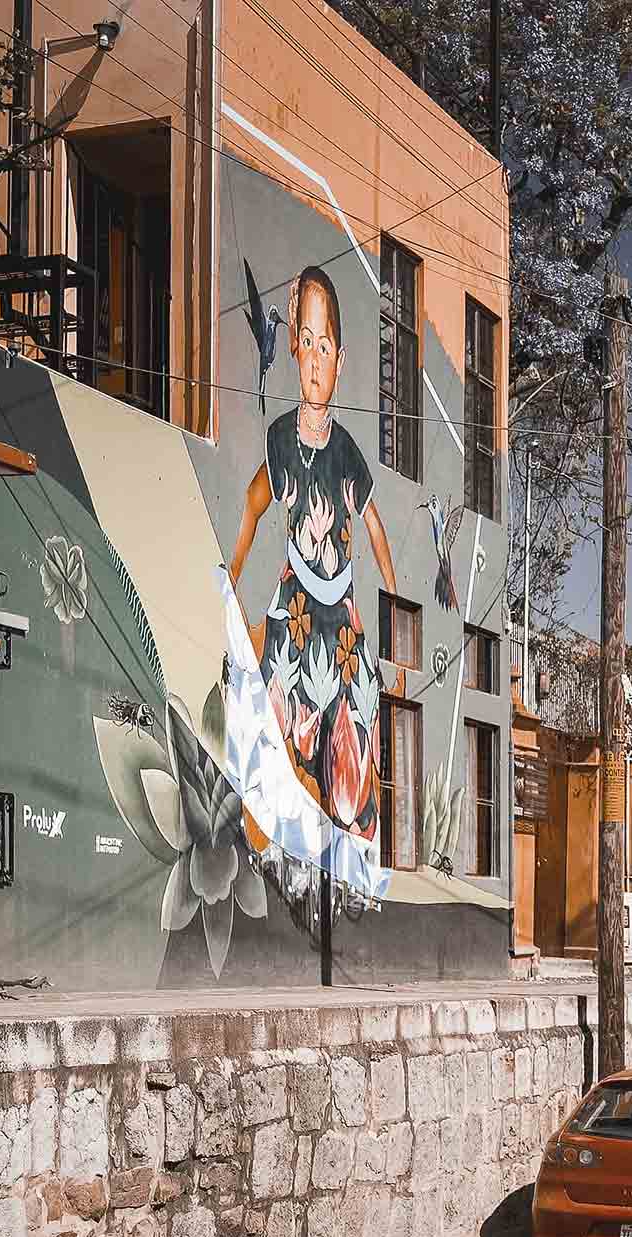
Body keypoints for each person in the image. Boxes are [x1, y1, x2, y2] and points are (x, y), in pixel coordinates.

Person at [228, 265, 398, 848]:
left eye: (326, 346)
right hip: (295, 600)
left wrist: (396, 625)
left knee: (361, 710)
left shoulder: (347, 450)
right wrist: (231, 577)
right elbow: (252, 505)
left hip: (341, 606)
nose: (316, 357)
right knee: (269, 703)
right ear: (293, 352)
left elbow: (375, 529)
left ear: (340, 360)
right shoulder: (278, 438)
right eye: (306, 342)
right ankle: (267, 825)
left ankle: (350, 847)